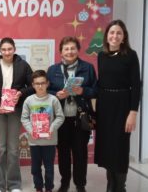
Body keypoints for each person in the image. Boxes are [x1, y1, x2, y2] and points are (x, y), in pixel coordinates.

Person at [0, 37, 34, 192]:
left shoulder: (23, 65)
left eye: (9, 49)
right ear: (0, 50)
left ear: (14, 49)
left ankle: (14, 184)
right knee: (0, 148)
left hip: (15, 111)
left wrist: (20, 93)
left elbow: (32, 85)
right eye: (3, 49)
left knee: (12, 148)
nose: (7, 52)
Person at [94, 20, 141, 192]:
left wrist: (133, 112)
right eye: (112, 32)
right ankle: (110, 185)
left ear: (124, 37)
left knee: (120, 147)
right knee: (107, 146)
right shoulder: (102, 55)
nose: (115, 36)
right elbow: (101, 82)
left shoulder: (130, 55)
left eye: (118, 33)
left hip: (123, 105)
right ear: (107, 36)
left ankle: (120, 187)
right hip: (105, 105)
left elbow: (136, 85)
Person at [47, 36, 97, 192]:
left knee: (80, 153)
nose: (70, 51)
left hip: (80, 118)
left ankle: (80, 184)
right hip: (60, 119)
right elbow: (46, 92)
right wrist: (56, 94)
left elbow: (95, 91)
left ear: (78, 50)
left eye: (73, 48)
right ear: (61, 51)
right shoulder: (53, 70)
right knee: (63, 153)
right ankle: (65, 182)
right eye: (66, 49)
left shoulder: (88, 68)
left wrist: (83, 91)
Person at [21, 70, 65, 192]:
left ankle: (49, 188)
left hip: (49, 141)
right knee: (35, 168)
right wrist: (31, 130)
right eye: (37, 83)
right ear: (33, 85)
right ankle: (38, 187)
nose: (40, 86)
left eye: (42, 83)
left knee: (49, 168)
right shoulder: (29, 100)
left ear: (47, 83)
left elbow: (60, 117)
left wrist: (51, 129)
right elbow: (24, 118)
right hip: (34, 141)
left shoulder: (53, 100)